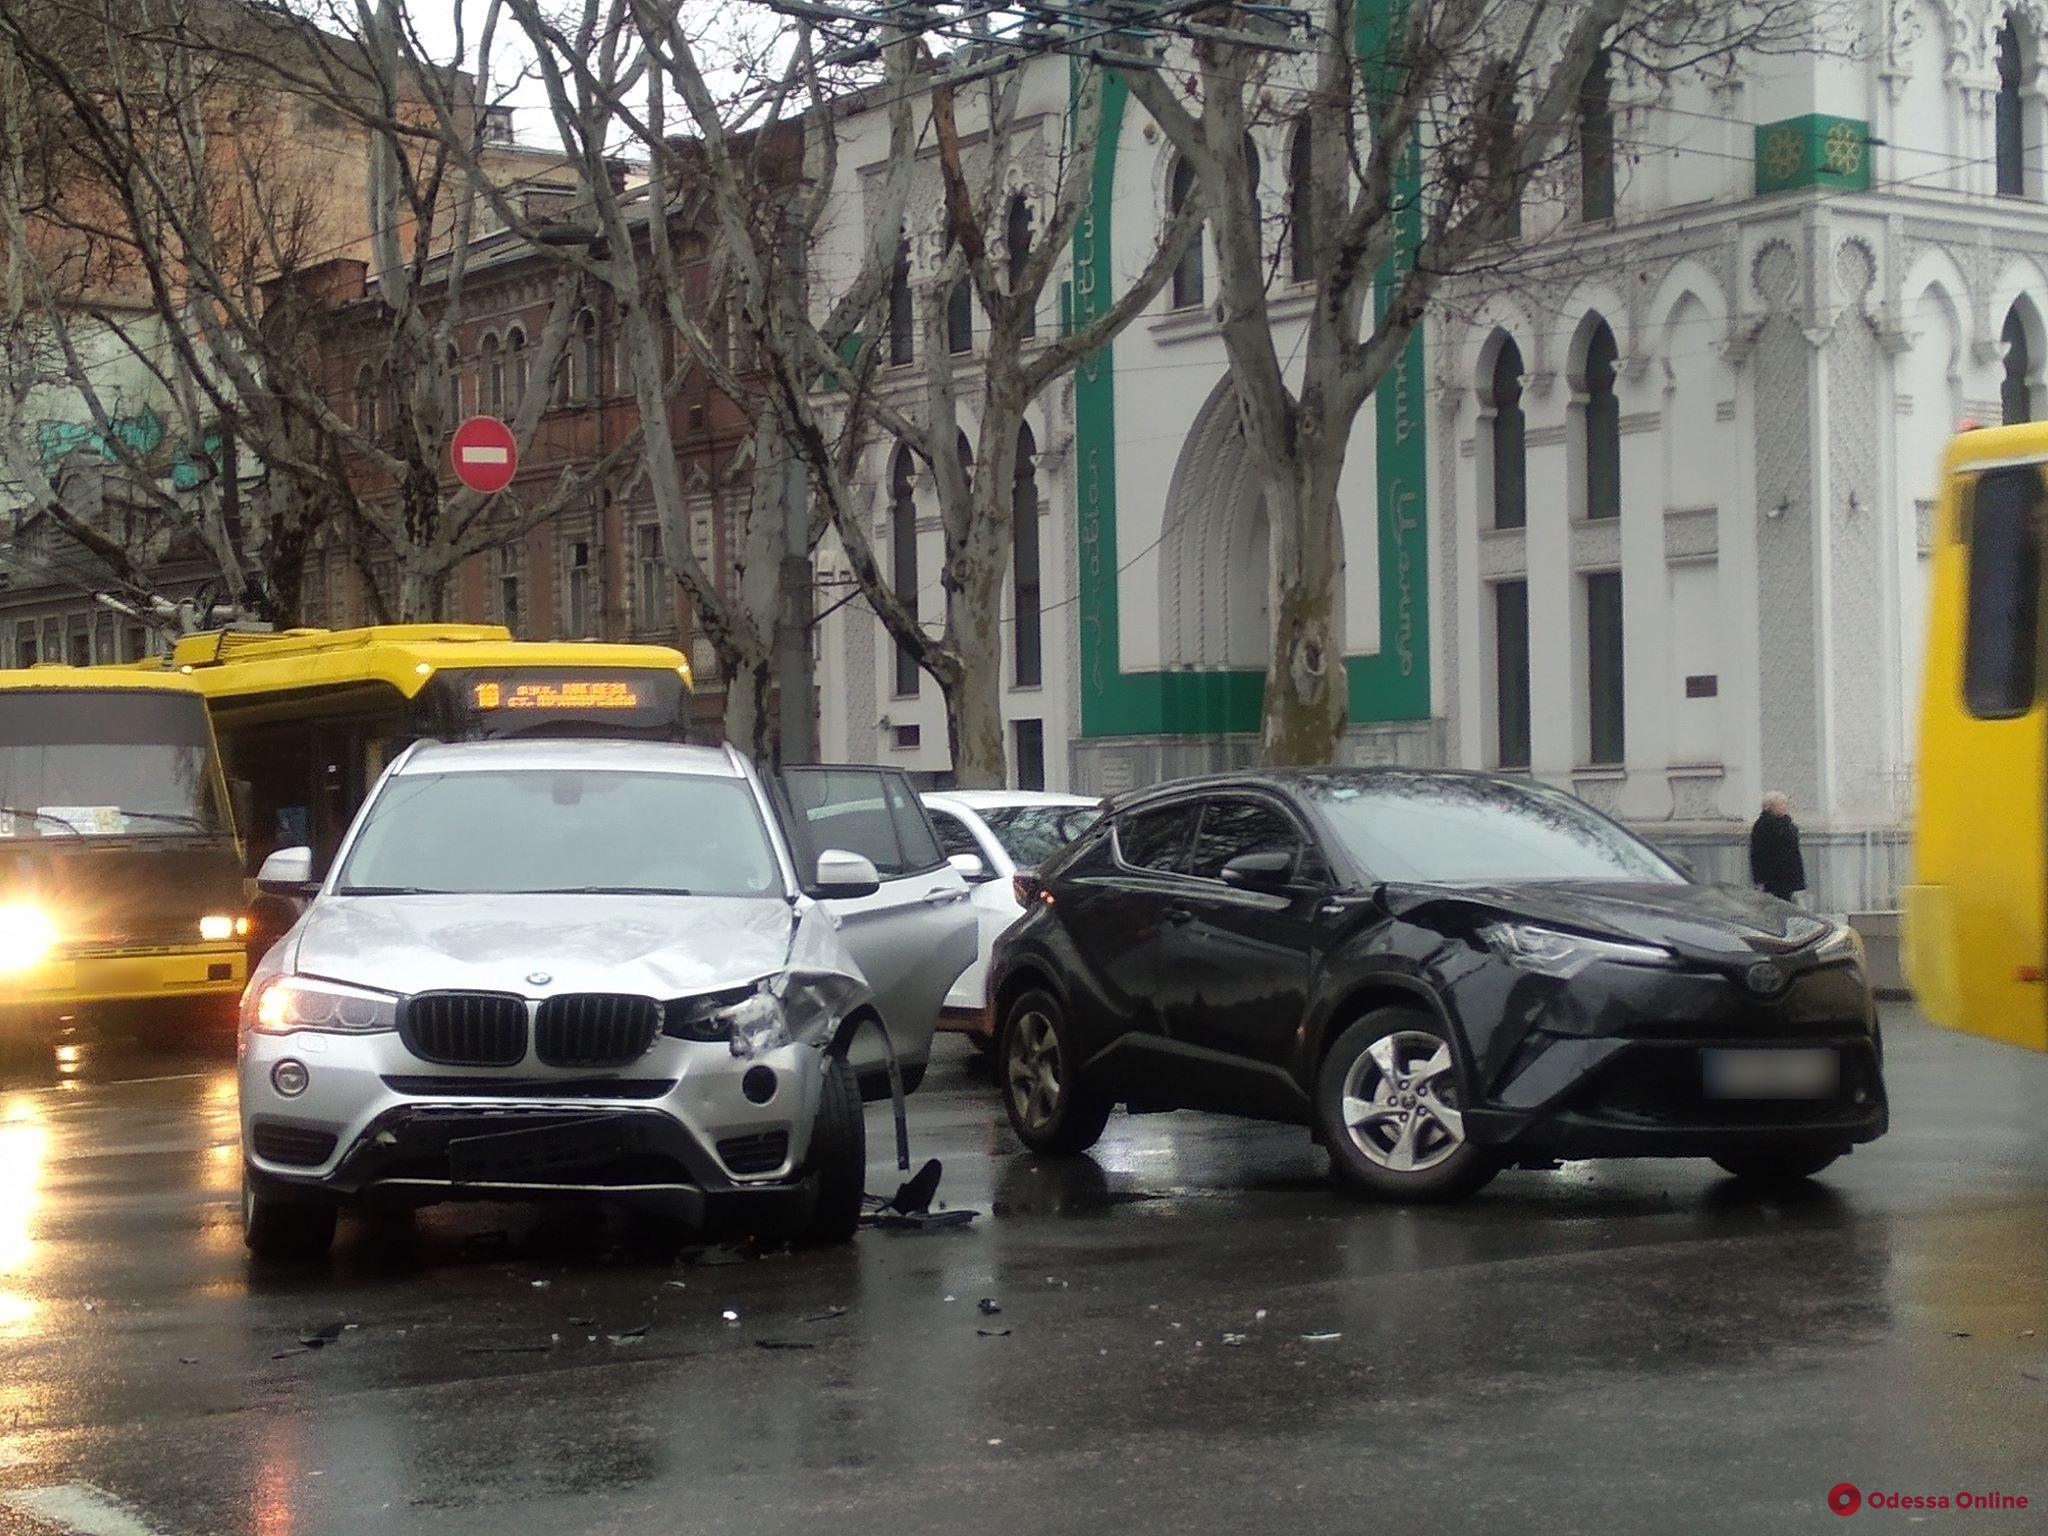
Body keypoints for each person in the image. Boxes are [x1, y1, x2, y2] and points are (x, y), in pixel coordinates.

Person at [1749, 791, 1807, 903]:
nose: (1785, 807)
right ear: (1770, 807)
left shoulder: (1785, 823)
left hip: (1788, 876)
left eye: (1785, 803)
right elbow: (1758, 855)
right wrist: (1760, 880)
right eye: (1781, 804)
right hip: (1774, 878)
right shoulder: (1764, 825)